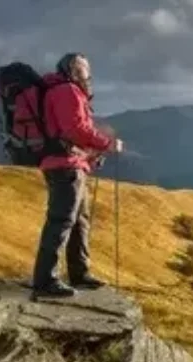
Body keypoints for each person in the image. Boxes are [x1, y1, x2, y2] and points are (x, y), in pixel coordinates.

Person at [31, 52, 124, 298]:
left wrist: (89, 155)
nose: (88, 74)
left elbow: (69, 132)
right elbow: (75, 129)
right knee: (62, 220)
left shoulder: (62, 90)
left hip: (70, 162)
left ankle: (79, 274)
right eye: (84, 68)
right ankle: (45, 279)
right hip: (65, 166)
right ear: (72, 69)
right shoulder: (67, 91)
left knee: (78, 221)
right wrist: (107, 144)